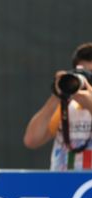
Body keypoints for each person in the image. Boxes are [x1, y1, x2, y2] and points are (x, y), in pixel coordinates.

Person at [24, 42, 92, 171]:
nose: (87, 79)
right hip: (62, 185)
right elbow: (32, 140)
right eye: (83, 73)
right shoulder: (65, 106)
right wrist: (57, 95)